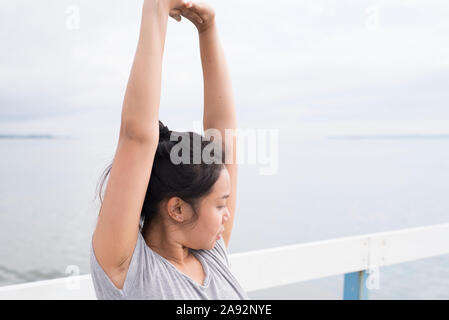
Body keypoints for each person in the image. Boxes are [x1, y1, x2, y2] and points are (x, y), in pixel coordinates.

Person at [90, 0, 248, 299]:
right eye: (219, 205)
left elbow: (224, 137)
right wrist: (156, 9)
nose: (228, 215)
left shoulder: (211, 254)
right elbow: (137, 137)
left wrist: (208, 29)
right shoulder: (128, 270)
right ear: (177, 209)